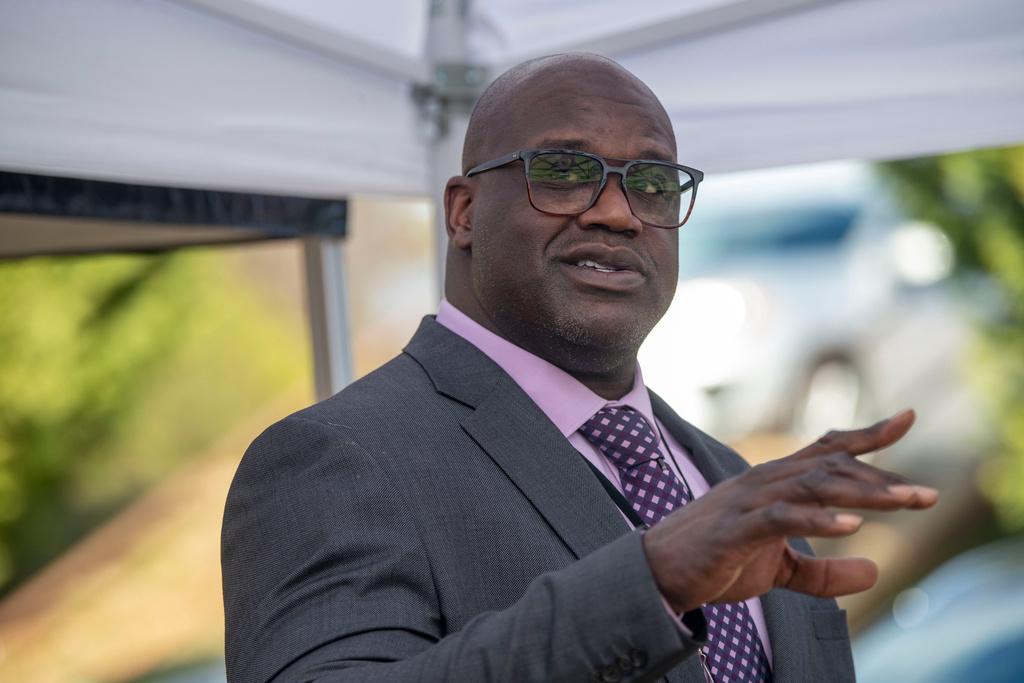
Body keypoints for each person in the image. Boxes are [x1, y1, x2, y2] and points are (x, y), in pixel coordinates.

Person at [221, 53, 938, 683]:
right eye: (565, 172)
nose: (620, 213)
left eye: (653, 182)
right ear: (464, 211)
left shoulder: (733, 482)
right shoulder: (336, 459)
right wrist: (649, 581)